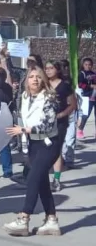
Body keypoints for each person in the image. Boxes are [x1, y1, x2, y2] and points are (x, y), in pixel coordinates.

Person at [3, 67, 62, 236]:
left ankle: (24, 218)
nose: (35, 80)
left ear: (43, 80)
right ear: (26, 81)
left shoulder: (49, 98)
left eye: (38, 77)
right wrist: (4, 59)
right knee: (42, 183)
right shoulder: (24, 97)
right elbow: (10, 74)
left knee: (33, 179)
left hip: (48, 144)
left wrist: (23, 130)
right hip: (33, 144)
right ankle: (51, 220)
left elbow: (47, 125)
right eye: (31, 77)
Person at [45, 60, 76, 191]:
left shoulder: (64, 86)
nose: (48, 71)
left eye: (51, 68)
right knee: (44, 149)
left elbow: (73, 105)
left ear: (57, 70)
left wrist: (62, 114)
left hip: (60, 123)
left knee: (56, 150)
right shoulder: (43, 84)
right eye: (46, 68)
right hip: (44, 122)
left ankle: (56, 180)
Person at [77, 58, 95, 138]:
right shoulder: (82, 74)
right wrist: (90, 86)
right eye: (86, 64)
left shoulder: (94, 73)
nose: (88, 66)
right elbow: (80, 85)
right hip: (87, 97)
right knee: (86, 114)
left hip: (95, 96)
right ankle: (80, 130)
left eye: (89, 65)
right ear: (83, 65)